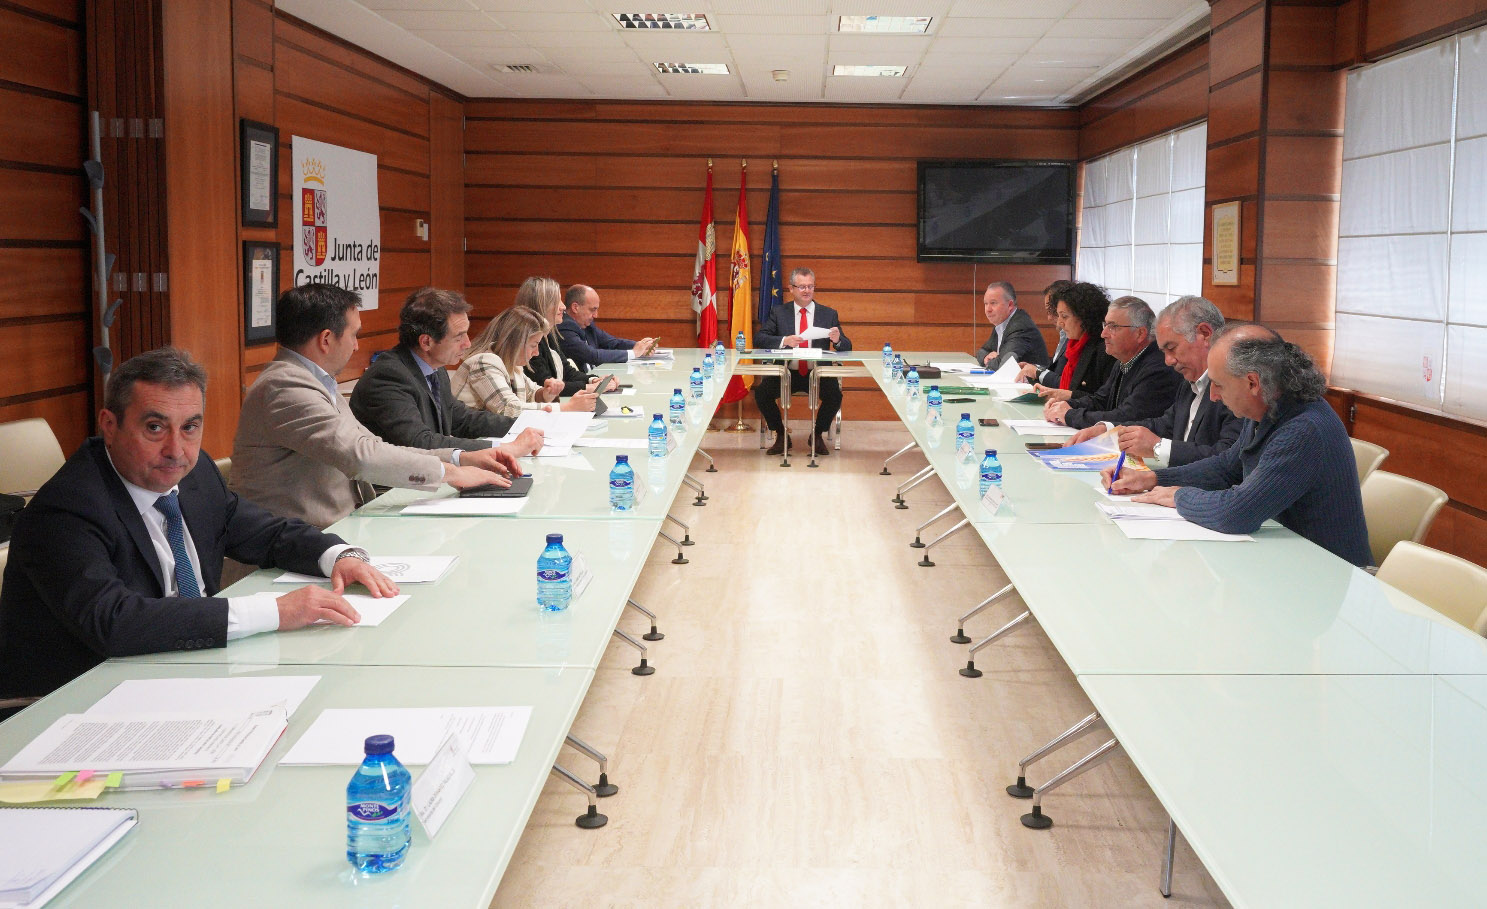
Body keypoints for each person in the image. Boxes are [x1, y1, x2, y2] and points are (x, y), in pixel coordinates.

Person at [0, 348, 400, 700]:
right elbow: (114, 622)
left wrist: (338, 555)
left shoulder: (194, 473)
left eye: (190, 427)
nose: (176, 450)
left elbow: (265, 532)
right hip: (74, 701)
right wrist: (273, 611)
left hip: (182, 672)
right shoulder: (68, 507)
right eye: (154, 428)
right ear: (109, 425)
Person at [231, 283, 522, 529]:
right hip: (295, 546)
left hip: (339, 529)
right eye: (354, 334)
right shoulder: (285, 387)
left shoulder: (316, 382)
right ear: (326, 339)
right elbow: (362, 456)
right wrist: (454, 473)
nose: (357, 346)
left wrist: (461, 458)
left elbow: (374, 445)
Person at [1106, 324, 1372, 567]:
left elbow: (1237, 513)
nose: (1214, 396)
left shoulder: (1303, 430)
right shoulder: (1266, 406)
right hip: (1284, 558)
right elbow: (1226, 468)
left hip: (1325, 571)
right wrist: (1152, 478)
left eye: (1219, 385)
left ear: (1253, 382)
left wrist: (1178, 496)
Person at [351, 287, 538, 452]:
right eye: (459, 337)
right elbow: (419, 443)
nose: (467, 344)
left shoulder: (435, 369)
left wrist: (524, 425)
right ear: (426, 342)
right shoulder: (388, 377)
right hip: (391, 488)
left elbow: (461, 419)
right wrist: (502, 448)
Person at [1065, 295, 1242, 467]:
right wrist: (1109, 430)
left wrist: (1158, 448)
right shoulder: (1189, 382)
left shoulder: (1235, 385)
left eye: (1172, 348)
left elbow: (1228, 458)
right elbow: (1164, 425)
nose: (1168, 361)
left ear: (1204, 334)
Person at [753, 266, 852, 456]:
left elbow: (847, 347)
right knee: (762, 394)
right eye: (802, 287)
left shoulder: (828, 314)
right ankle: (781, 435)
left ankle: (816, 435)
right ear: (791, 289)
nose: (807, 291)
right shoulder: (779, 312)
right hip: (787, 372)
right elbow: (760, 338)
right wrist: (784, 341)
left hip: (817, 373)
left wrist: (838, 340)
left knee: (835, 396)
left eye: (810, 286)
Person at [1042, 295, 1182, 429]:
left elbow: (1125, 417)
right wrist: (1066, 405)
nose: (1104, 334)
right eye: (1105, 325)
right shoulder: (1125, 358)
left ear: (1140, 333)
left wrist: (1069, 415)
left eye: (1113, 327)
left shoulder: (1158, 368)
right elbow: (1101, 400)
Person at [454, 306, 597, 417]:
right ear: (515, 343)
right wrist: (566, 408)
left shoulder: (511, 365)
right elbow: (508, 409)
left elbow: (530, 393)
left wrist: (545, 393)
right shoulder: (484, 362)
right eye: (533, 345)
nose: (536, 353)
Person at [1016, 281, 1116, 398]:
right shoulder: (1075, 345)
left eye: (1064, 316)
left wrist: (1062, 395)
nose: (1059, 322)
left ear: (1084, 316)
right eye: (1058, 316)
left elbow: (1102, 401)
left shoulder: (1104, 349)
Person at [518, 276, 601, 397]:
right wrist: (589, 388)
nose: (563, 307)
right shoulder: (528, 340)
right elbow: (545, 384)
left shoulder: (549, 334)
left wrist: (593, 379)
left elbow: (567, 371)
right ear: (541, 305)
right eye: (557, 302)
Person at [557, 284, 657, 370]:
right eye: (593, 309)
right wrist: (634, 353)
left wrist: (640, 346)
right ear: (575, 307)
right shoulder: (564, 326)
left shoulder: (587, 325)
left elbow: (613, 343)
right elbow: (592, 355)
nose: (596, 315)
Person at [975, 281, 1049, 370]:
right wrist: (986, 357)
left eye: (993, 303)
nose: (988, 309)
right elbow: (981, 351)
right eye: (986, 304)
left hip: (1032, 383)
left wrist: (991, 360)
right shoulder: (1001, 323)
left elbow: (1003, 365)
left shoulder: (1021, 326)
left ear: (1010, 305)